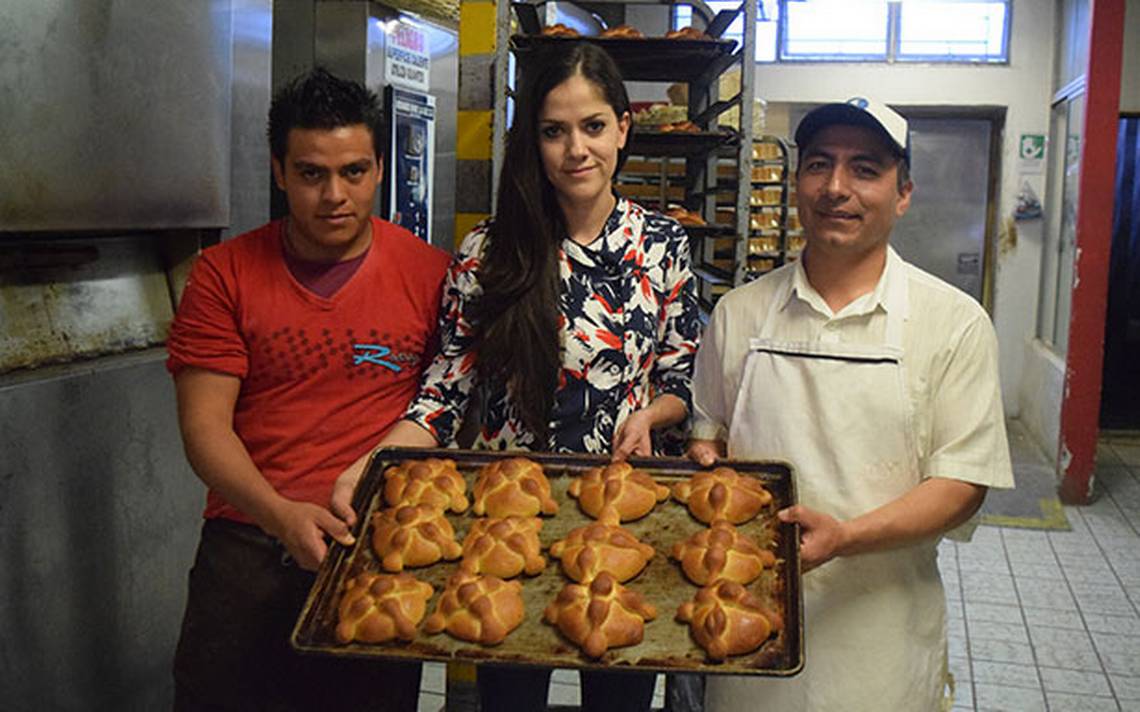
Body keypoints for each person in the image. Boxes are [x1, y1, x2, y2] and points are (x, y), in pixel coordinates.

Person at [332, 42, 700, 712]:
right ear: (533, 139)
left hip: (626, 518)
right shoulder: (490, 253)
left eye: (592, 127)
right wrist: (374, 462)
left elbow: (680, 378)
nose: (575, 150)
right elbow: (444, 391)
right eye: (554, 131)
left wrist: (654, 416)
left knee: (618, 697)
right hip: (511, 526)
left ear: (624, 127)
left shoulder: (663, 245)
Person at [688, 97, 1014, 711]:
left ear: (904, 193)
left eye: (865, 169)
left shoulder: (953, 324)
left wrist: (846, 536)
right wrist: (704, 456)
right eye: (819, 165)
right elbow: (711, 435)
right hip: (746, 626)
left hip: (881, 637)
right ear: (796, 185)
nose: (836, 187)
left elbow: (964, 482)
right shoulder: (739, 314)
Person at [166, 67, 451, 711]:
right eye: (311, 173)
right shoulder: (223, 275)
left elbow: (445, 407)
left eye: (353, 171)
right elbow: (204, 428)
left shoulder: (432, 276)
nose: (334, 196)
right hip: (247, 545)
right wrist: (280, 514)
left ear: (380, 167)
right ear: (278, 171)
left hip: (374, 549)